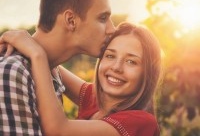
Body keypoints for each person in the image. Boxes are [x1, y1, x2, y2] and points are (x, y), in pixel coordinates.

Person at [0, 22, 162, 136]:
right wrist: (26, 42)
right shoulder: (96, 100)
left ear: (148, 73)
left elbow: (58, 130)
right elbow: (53, 63)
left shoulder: (141, 122)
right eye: (110, 55)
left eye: (131, 61)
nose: (116, 67)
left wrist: (36, 53)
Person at [0, 0, 115, 135]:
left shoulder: (49, 71)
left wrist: (36, 52)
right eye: (103, 18)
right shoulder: (13, 72)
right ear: (71, 20)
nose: (112, 29)